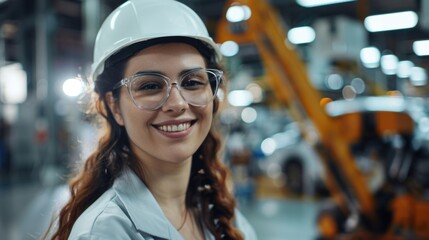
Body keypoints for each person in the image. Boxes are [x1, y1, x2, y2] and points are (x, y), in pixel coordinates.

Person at [49, 0, 257, 239]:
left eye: (192, 82)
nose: (177, 103)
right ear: (115, 106)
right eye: (150, 86)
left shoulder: (220, 214)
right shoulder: (104, 232)